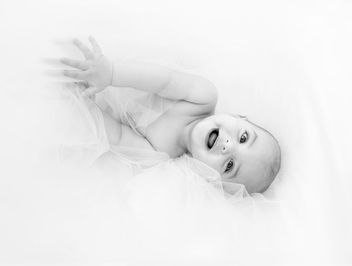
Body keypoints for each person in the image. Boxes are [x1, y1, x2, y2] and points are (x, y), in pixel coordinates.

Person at [59, 37, 281, 193]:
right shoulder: (203, 97)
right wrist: (112, 74)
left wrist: (84, 104)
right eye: (243, 137)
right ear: (240, 117)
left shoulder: (160, 154)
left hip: (100, 99)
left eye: (229, 165)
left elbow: (118, 136)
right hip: (124, 74)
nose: (228, 146)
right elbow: (164, 79)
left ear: (210, 178)